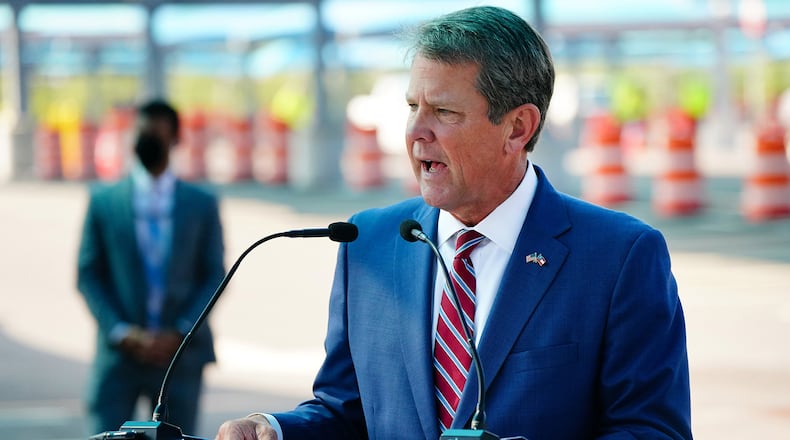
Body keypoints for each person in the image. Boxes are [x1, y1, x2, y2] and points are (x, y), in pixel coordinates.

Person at [216, 6, 691, 440]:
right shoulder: (368, 243)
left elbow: (653, 430)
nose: (416, 132)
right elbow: (347, 411)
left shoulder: (620, 256)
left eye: (444, 112)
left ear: (517, 128)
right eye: (412, 108)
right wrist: (274, 430)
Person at [77, 99, 225, 436]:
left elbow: (214, 275)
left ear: (175, 139)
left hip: (179, 358)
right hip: (120, 357)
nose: (148, 140)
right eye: (143, 132)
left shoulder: (201, 204)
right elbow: (89, 274)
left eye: (157, 134)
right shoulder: (104, 200)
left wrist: (181, 330)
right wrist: (122, 331)